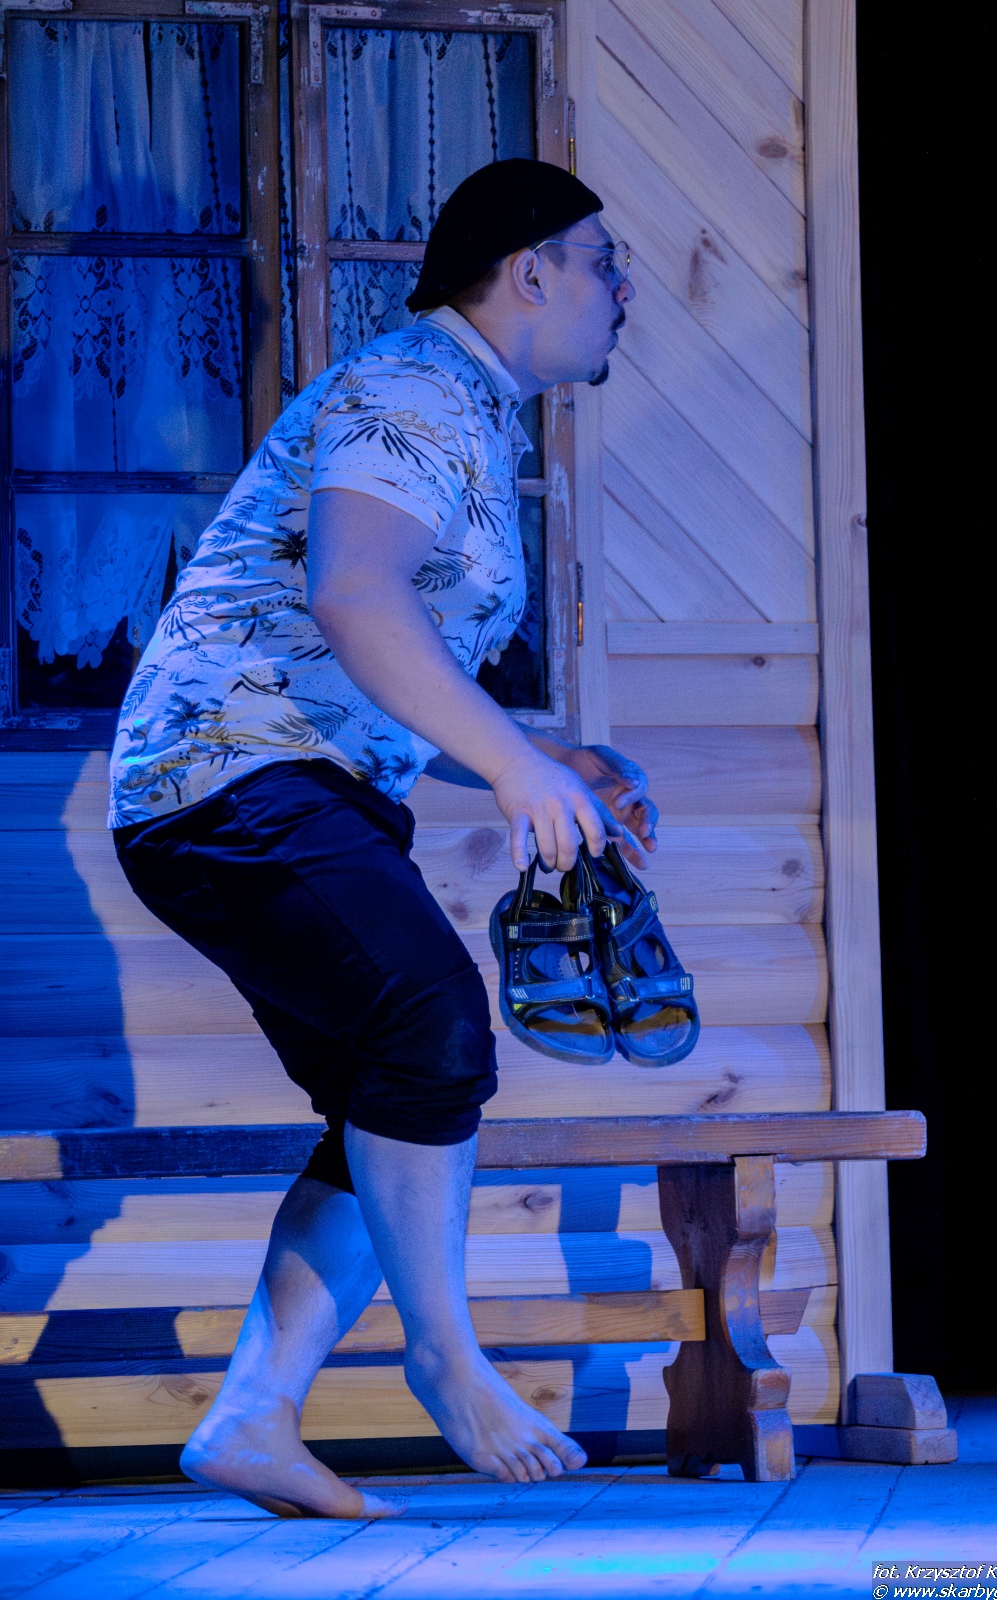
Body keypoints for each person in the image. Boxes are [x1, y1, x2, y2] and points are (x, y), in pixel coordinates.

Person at [109, 158, 654, 1520]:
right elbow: (357, 598)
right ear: (531, 269)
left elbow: (372, 657)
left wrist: (542, 764)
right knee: (427, 1022)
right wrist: (514, 764)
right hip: (227, 776)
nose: (621, 288)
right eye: (604, 261)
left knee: (394, 1085)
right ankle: (447, 1362)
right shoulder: (414, 386)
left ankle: (252, 1416)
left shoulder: (461, 404)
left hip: (290, 781)